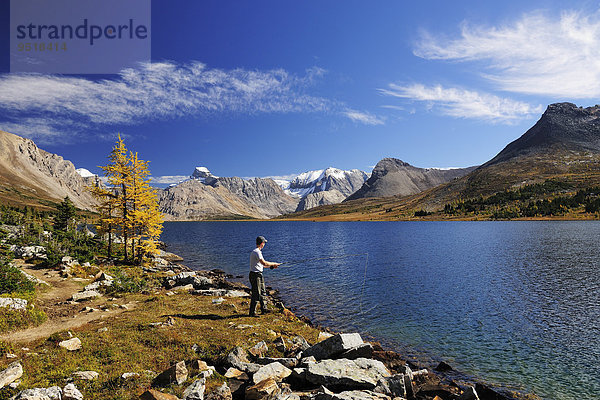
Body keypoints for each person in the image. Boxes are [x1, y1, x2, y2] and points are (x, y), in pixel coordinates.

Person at [249, 236, 280, 316]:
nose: (264, 244)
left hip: (258, 275)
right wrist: (273, 263)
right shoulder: (257, 252)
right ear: (262, 243)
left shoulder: (257, 252)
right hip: (255, 275)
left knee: (263, 292)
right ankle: (252, 313)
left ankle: (264, 309)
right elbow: (264, 263)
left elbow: (262, 265)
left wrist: (272, 266)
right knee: (256, 293)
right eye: (264, 243)